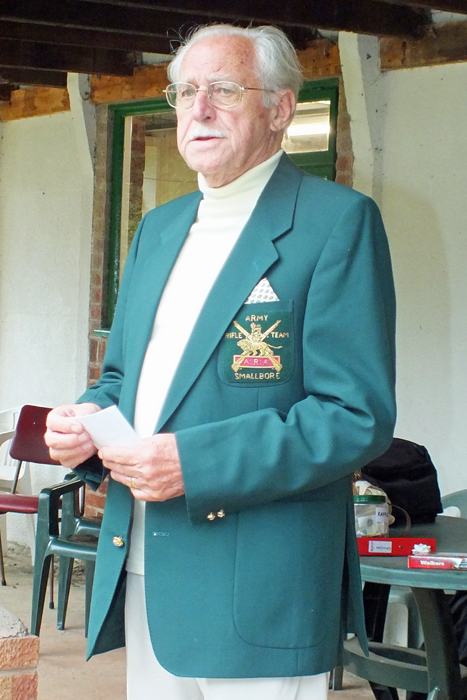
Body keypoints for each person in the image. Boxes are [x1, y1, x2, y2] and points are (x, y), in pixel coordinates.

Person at [45, 23, 397, 700]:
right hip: (145, 566)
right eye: (185, 91)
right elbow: (123, 379)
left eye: (224, 90)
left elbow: (352, 417)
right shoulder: (159, 228)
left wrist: (194, 463)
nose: (198, 108)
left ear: (279, 108)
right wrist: (88, 421)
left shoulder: (335, 222)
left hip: (259, 587)